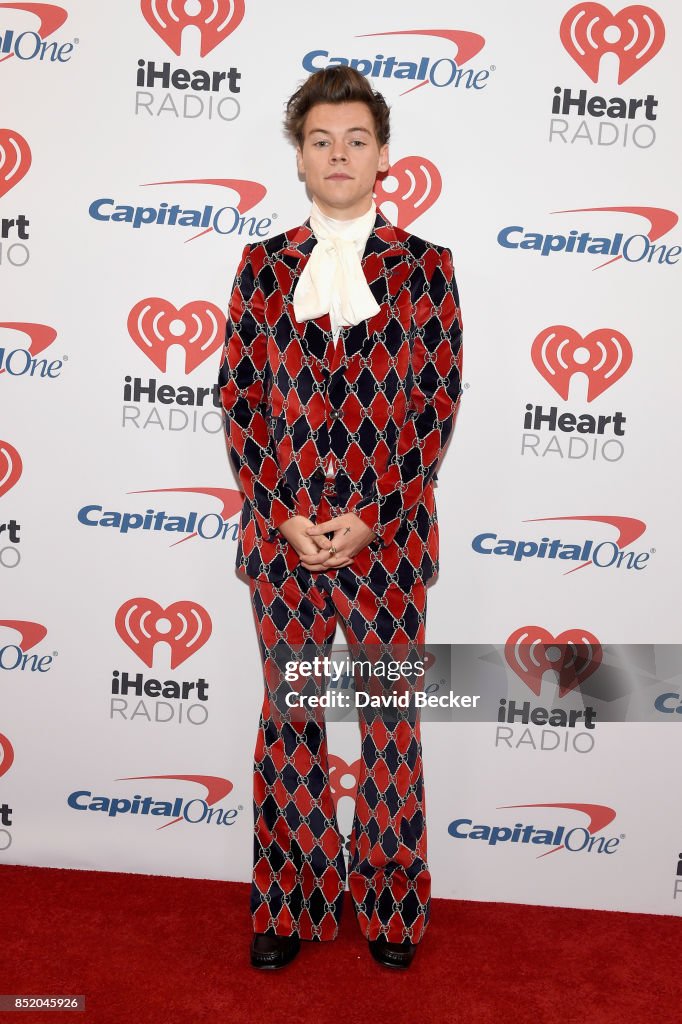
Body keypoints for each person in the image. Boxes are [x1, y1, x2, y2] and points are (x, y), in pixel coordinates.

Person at [218, 65, 463, 971]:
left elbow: (435, 408)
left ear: (383, 157)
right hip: (281, 544)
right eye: (321, 139)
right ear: (300, 157)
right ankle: (290, 901)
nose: (339, 154)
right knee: (292, 722)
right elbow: (239, 399)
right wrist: (282, 514)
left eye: (356, 139)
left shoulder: (427, 269)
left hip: (389, 544)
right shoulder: (262, 265)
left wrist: (374, 515)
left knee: (388, 725)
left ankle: (394, 909)